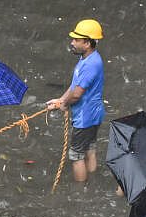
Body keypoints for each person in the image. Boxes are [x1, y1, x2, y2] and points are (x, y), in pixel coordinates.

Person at [45, 19, 105, 185]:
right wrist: (60, 100)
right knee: (90, 148)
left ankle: (81, 190)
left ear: (87, 43)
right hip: (94, 114)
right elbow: (74, 86)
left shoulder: (91, 65)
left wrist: (64, 104)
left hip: (85, 117)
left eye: (76, 40)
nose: (72, 42)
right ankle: (92, 182)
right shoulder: (87, 58)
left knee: (76, 155)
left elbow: (77, 94)